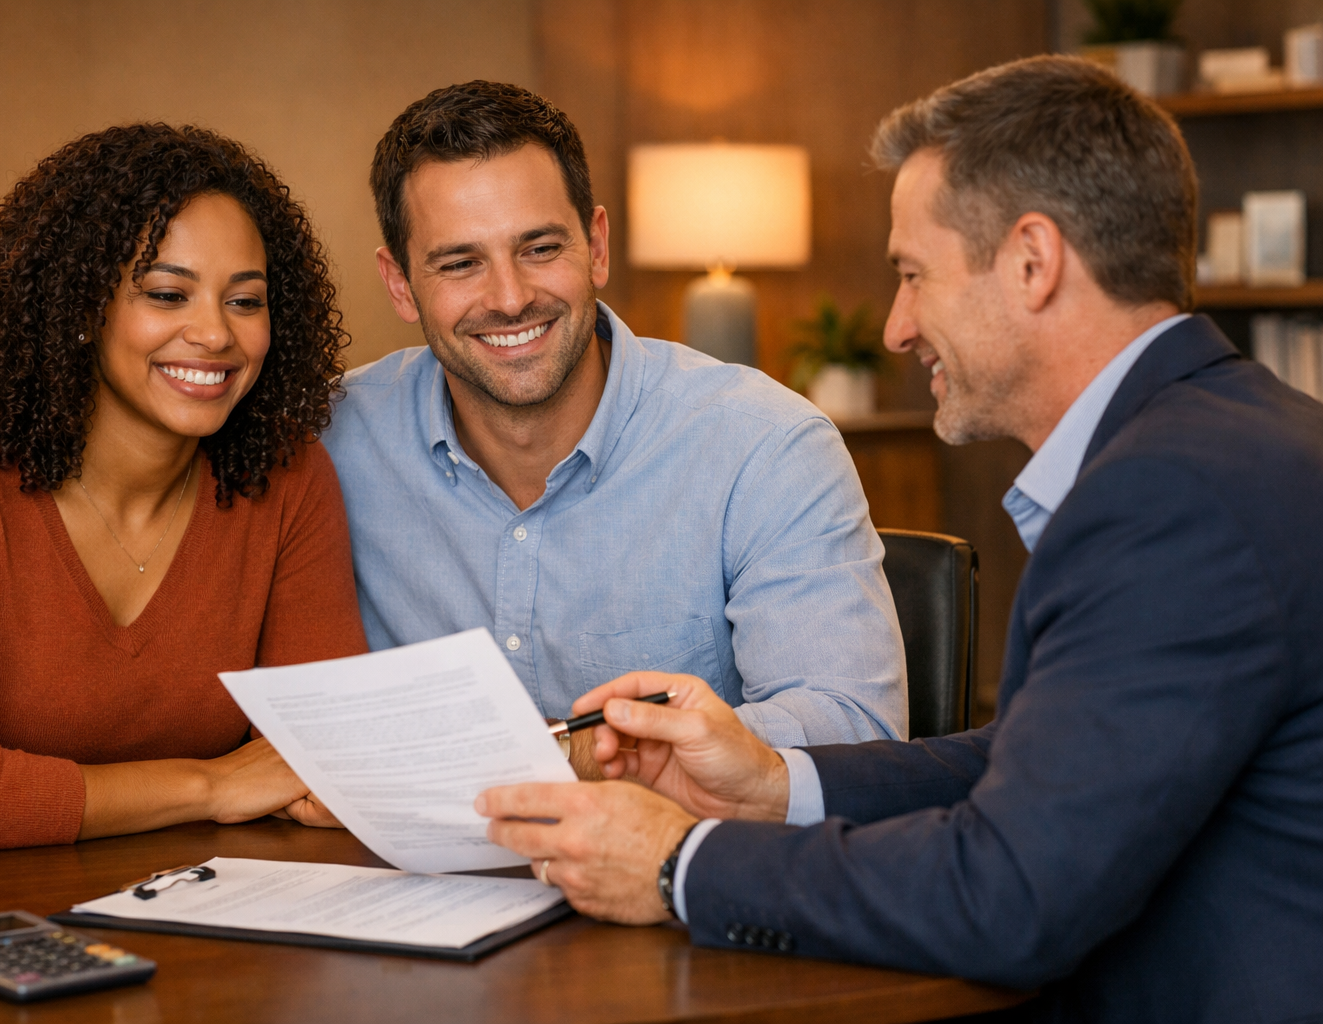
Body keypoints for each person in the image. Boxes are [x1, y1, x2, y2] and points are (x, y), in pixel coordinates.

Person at [476, 55, 1323, 1022]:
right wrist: (771, 785)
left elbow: (1010, 897)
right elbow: (1039, 763)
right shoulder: (1232, 438)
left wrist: (677, 865)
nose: (895, 327)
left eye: (913, 275)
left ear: (1033, 262)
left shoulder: (1169, 498)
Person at [0, 124, 368, 856]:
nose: (215, 335)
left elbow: (318, 764)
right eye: (167, 294)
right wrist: (213, 785)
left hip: (176, 909)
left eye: (245, 301)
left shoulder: (286, 477)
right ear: (78, 305)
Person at [322, 81, 907, 771]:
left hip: (677, 866)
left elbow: (851, 726)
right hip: (405, 875)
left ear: (596, 246)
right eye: (460, 263)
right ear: (399, 283)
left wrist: (575, 753)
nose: (510, 298)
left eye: (540, 249)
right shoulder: (332, 440)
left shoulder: (763, 444)